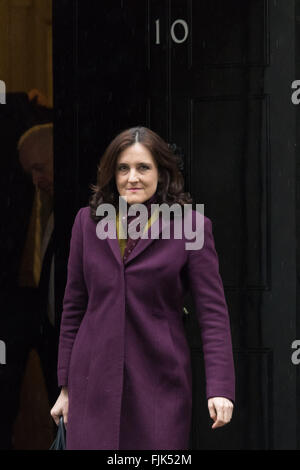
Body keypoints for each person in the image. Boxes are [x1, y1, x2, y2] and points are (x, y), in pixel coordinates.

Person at [50, 126, 235, 450]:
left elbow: (213, 314)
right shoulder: (87, 222)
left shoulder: (191, 226)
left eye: (143, 167)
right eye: (123, 168)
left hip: (159, 383)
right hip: (92, 383)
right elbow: (74, 307)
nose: (132, 177)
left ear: (162, 173)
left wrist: (220, 387)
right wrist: (65, 386)